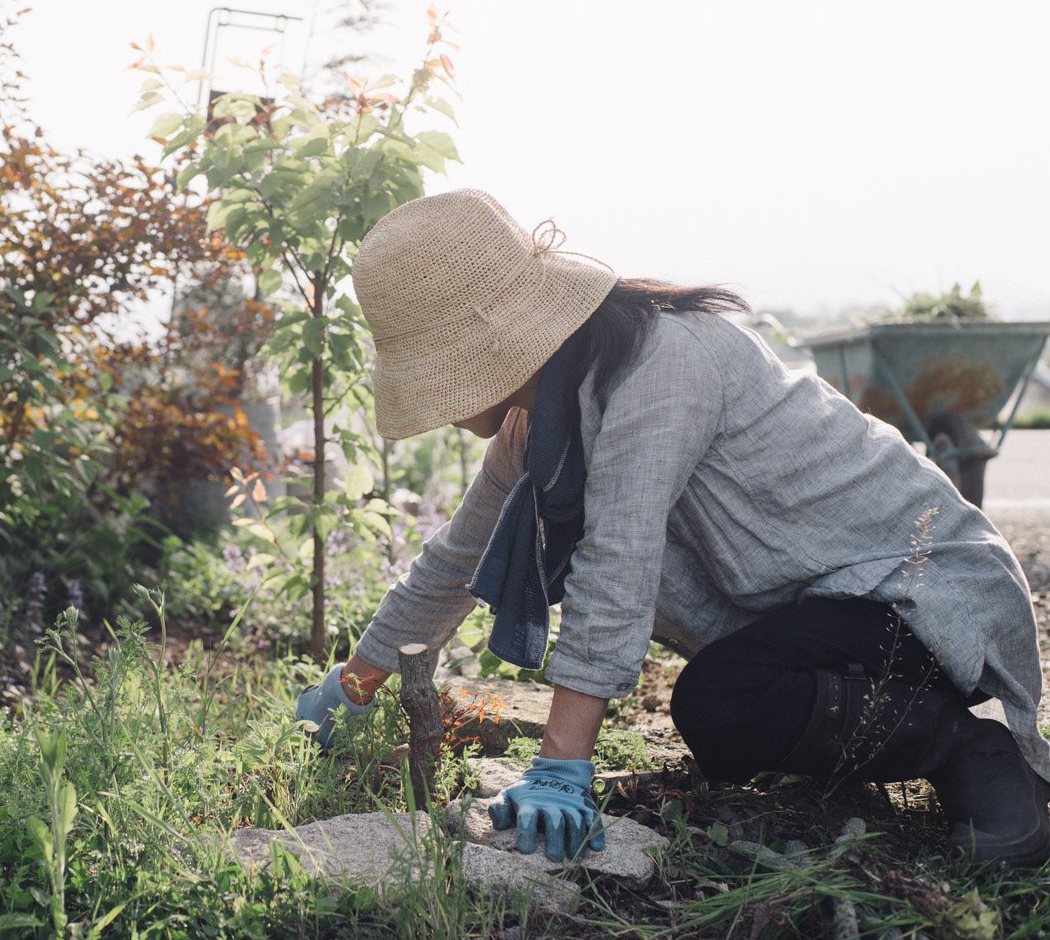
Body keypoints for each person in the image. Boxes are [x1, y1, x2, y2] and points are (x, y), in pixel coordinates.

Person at [294, 188, 1049, 867]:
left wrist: (562, 765)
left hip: (915, 587)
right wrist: (355, 684)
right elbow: (456, 560)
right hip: (819, 610)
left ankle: (968, 746)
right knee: (730, 719)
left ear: (486, 350)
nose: (444, 407)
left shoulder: (661, 366)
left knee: (721, 702)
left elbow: (616, 565)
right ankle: (871, 731)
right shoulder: (538, 425)